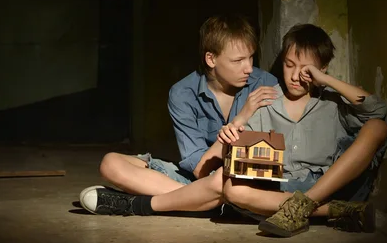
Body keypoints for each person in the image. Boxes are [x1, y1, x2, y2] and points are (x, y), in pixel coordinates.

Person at [79, 24, 387, 238]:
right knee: (229, 188)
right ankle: (328, 212)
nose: (296, 76)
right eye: (290, 65)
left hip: (314, 185)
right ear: (211, 60)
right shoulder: (264, 100)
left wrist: (325, 79)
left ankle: (305, 205)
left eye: (307, 70)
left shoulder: (328, 104)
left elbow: (377, 112)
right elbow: (207, 169)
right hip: (253, 187)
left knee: (376, 127)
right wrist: (234, 131)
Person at [79, 14, 278, 211]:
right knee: (110, 163)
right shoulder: (183, 93)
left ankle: (157, 204)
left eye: (251, 58)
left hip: (241, 182)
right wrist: (241, 118)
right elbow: (200, 170)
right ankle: (201, 201)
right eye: (238, 61)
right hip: (199, 180)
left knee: (223, 181)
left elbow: (270, 163)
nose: (249, 68)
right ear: (211, 59)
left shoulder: (264, 84)